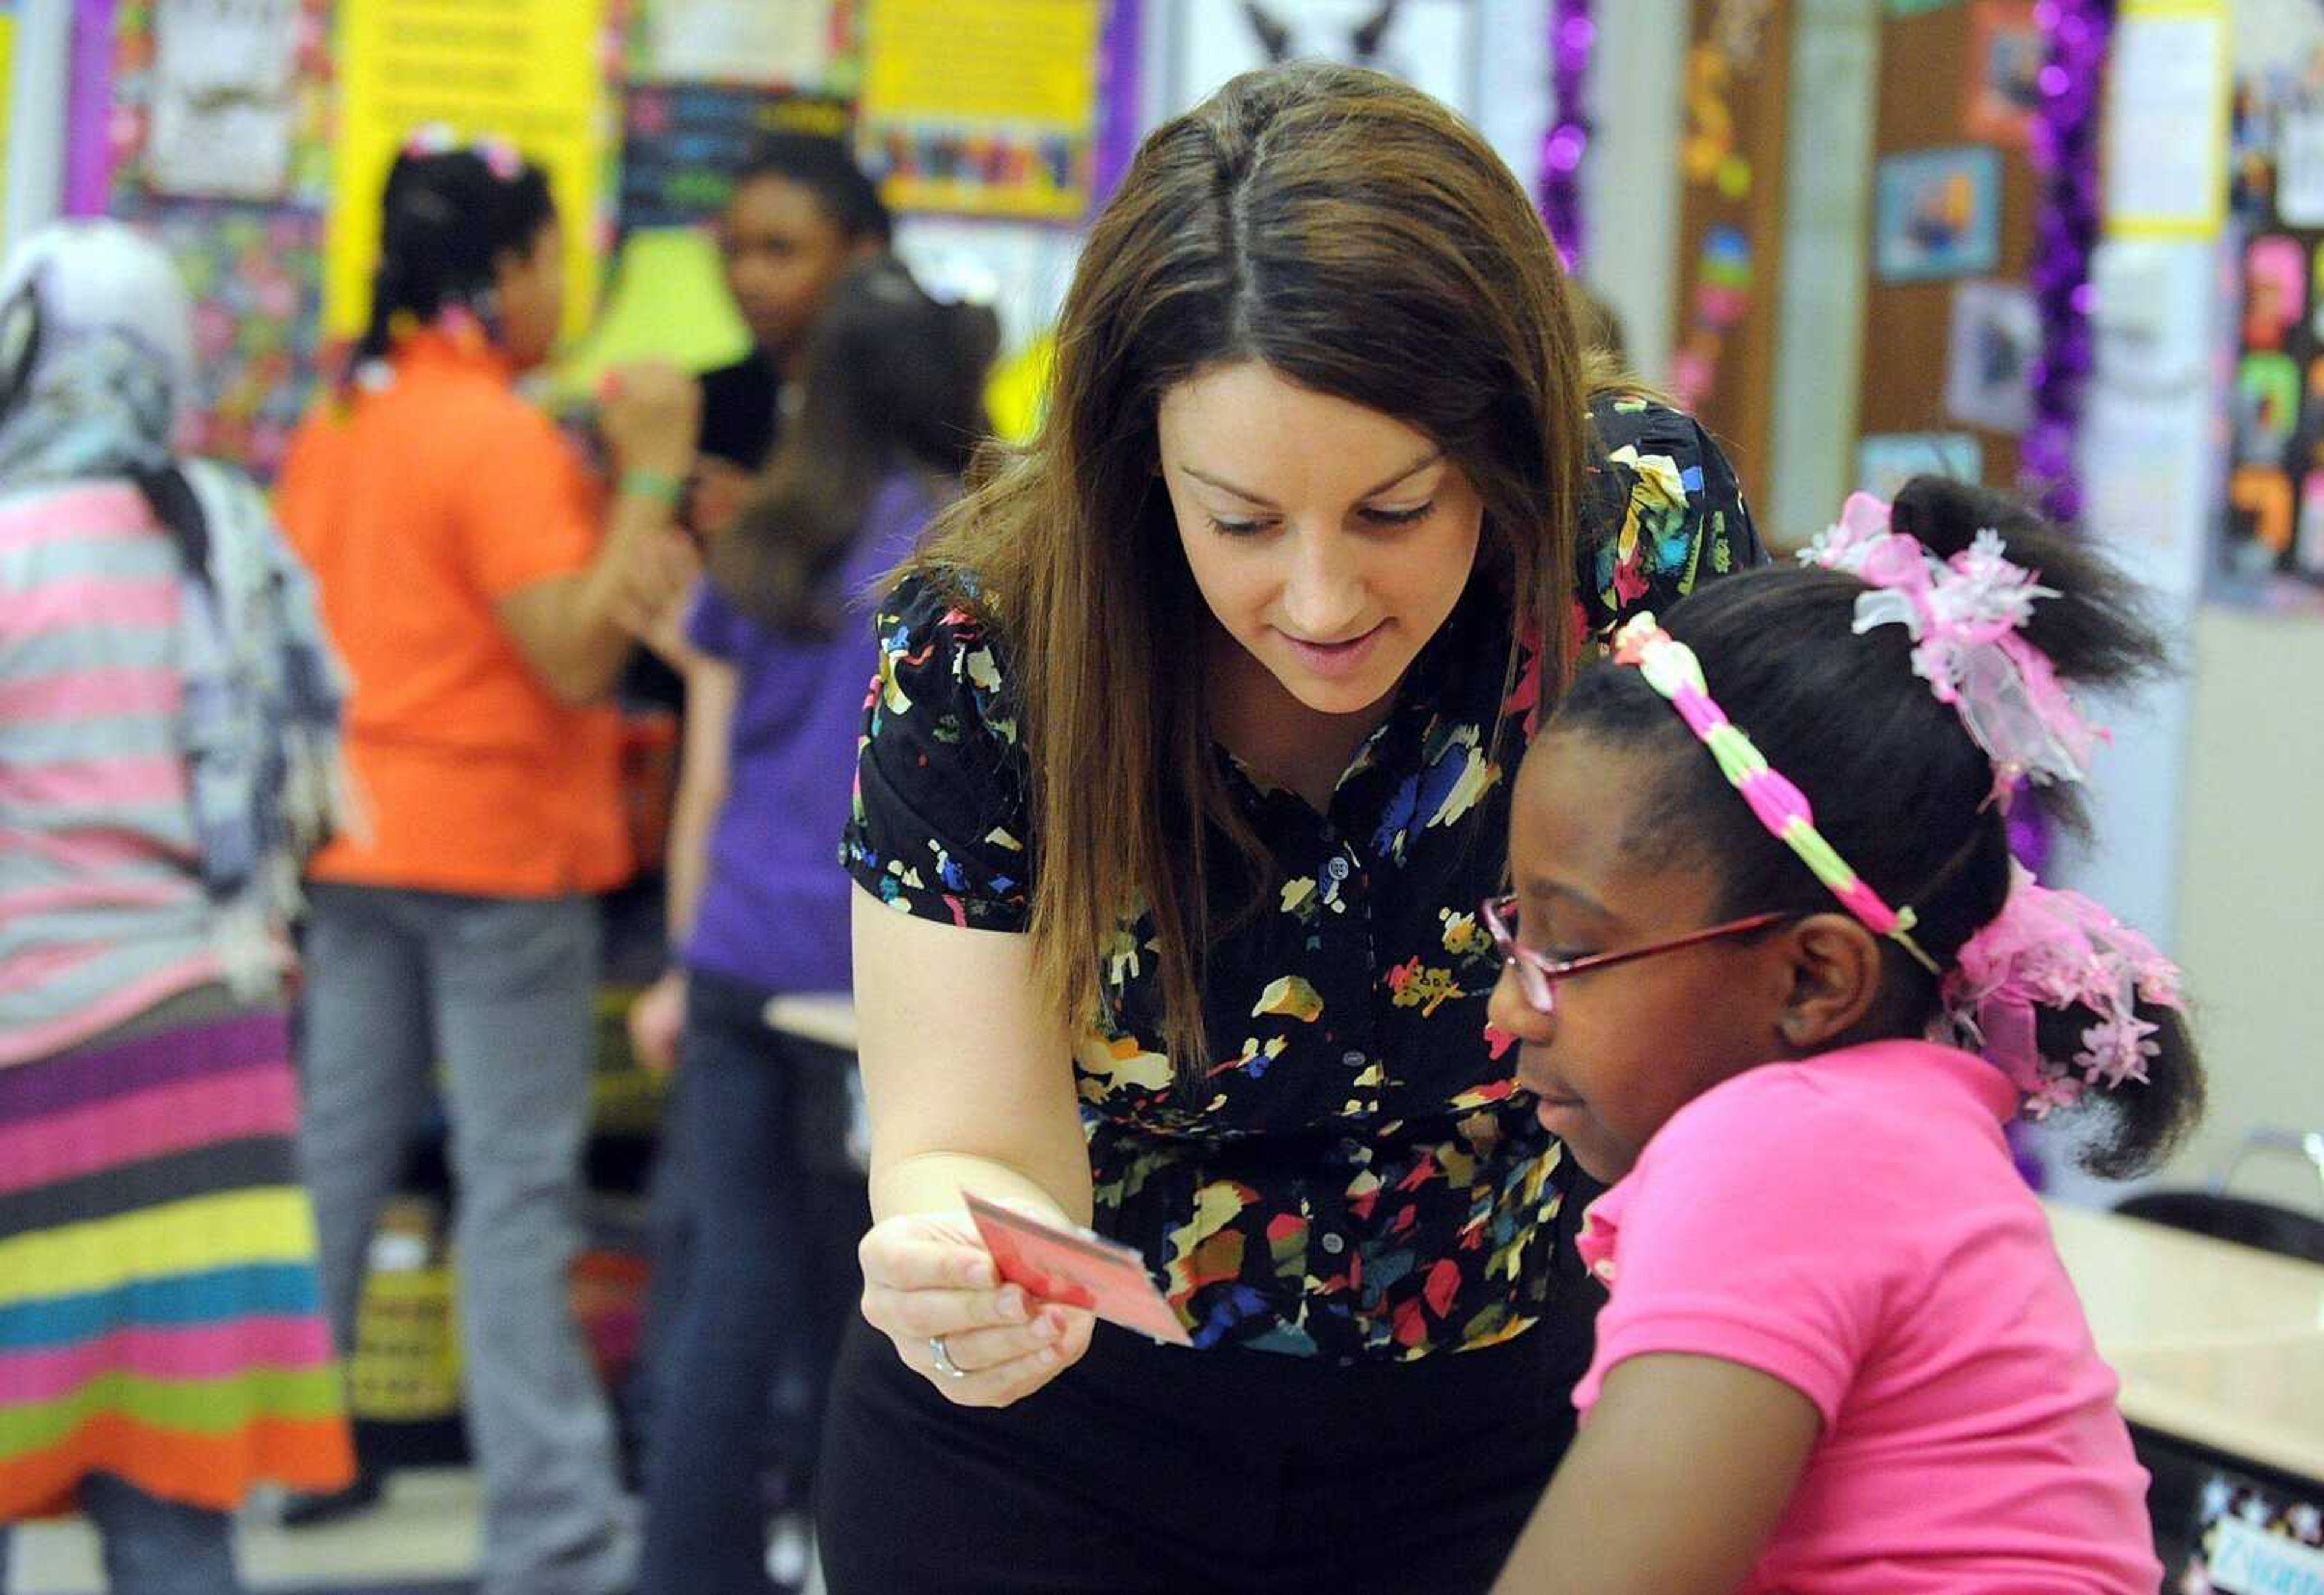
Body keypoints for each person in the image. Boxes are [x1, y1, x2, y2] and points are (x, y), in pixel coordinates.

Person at [816, 62, 1762, 1594]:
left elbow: (1746, 978)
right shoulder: (988, 644)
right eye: (1240, 521)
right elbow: (967, 1141)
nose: (1320, 603)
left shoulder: (1631, 533)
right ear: (1139, 470)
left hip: (1506, 1431)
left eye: (1396, 510)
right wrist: (960, 1269)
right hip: (1050, 1454)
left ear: (1509, 442)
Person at [1485, 478, 2202, 1594]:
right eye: (1513, 936)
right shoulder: (1881, 1129)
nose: (1509, 1010)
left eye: (1567, 953)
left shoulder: (1780, 1153)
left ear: (1816, 977)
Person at [274, 137, 698, 1595]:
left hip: (357, 838)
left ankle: (277, 1462)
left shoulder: (343, 417)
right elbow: (577, 655)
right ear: (510, 267)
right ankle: (555, 1531)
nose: (561, 287)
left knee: (331, 1161)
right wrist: (645, 474)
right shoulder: (500, 438)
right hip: (500, 855)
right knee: (514, 1194)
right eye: (552, 258)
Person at [634, 257, 999, 1595]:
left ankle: (684, 1572)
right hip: (884, 976)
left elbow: (709, 777)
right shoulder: (972, 546)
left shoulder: (767, 538)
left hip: (736, 954)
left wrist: (683, 965)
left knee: (728, 1294)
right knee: (886, 1309)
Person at [0, 220, 355, 1592]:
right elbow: (311, 793)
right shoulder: (230, 535)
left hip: (26, 1062)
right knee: (169, 1510)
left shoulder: (10, 548)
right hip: (208, 1074)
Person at [688, 133, 893, 538]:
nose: (747, 278)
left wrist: (767, 516)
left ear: (862, 255)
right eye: (734, 251)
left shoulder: (916, 409)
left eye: (779, 250)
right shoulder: (707, 407)